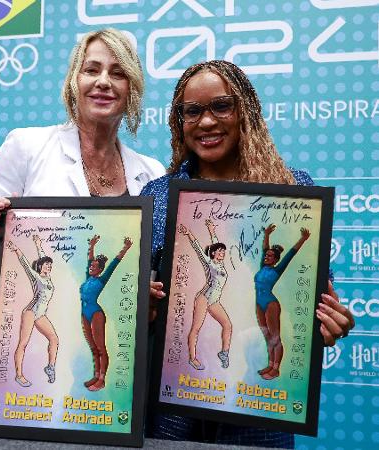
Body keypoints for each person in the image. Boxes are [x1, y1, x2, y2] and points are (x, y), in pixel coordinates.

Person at [141, 60, 355, 447]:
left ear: (246, 111)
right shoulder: (157, 196)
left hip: (259, 415)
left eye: (221, 106)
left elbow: (314, 291)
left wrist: (326, 321)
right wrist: (143, 310)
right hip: (171, 413)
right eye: (193, 111)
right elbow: (141, 305)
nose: (206, 122)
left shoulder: (292, 187)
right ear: (179, 121)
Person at [0, 28, 165, 424]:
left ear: (132, 87)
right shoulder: (27, 146)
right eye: (92, 69)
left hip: (111, 391)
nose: (103, 81)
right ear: (75, 80)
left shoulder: (151, 173)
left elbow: (143, 275)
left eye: (118, 72)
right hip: (25, 396)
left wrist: (151, 291)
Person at [255, 225, 310, 380]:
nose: (266, 257)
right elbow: (265, 248)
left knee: (275, 337)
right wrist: (266, 234)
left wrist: (303, 239)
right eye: (266, 255)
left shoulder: (277, 269)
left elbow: (291, 253)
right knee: (267, 336)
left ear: (276, 260)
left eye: (270, 256)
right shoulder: (262, 266)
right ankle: (270, 364)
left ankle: (276, 369)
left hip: (271, 305)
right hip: (259, 304)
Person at [80, 235, 132, 391]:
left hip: (96, 314)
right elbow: (90, 259)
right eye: (91, 266)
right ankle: (96, 375)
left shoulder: (101, 280)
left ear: (100, 270)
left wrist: (126, 248)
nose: (91, 267)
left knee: (101, 347)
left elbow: (114, 263)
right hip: (84, 313)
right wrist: (92, 246)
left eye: (94, 267)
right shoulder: (88, 278)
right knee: (93, 348)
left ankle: (102, 380)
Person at [178, 219, 232, 371]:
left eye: (223, 251)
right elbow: (198, 250)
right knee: (196, 328)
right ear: (214, 253)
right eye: (219, 251)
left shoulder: (221, 265)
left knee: (227, 325)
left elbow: (215, 242)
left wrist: (211, 229)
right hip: (204, 298)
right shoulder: (209, 262)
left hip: (214, 301)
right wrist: (189, 233)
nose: (222, 253)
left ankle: (224, 353)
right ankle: (192, 358)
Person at [7, 235, 58, 387]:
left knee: (54, 339)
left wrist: (38, 243)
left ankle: (50, 367)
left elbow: (42, 257)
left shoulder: (48, 277)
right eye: (47, 265)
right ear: (41, 267)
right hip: (30, 312)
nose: (49, 267)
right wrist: (17, 250)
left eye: (50, 265)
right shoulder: (36, 277)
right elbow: (26, 266)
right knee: (23, 343)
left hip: (40, 314)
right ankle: (19, 375)